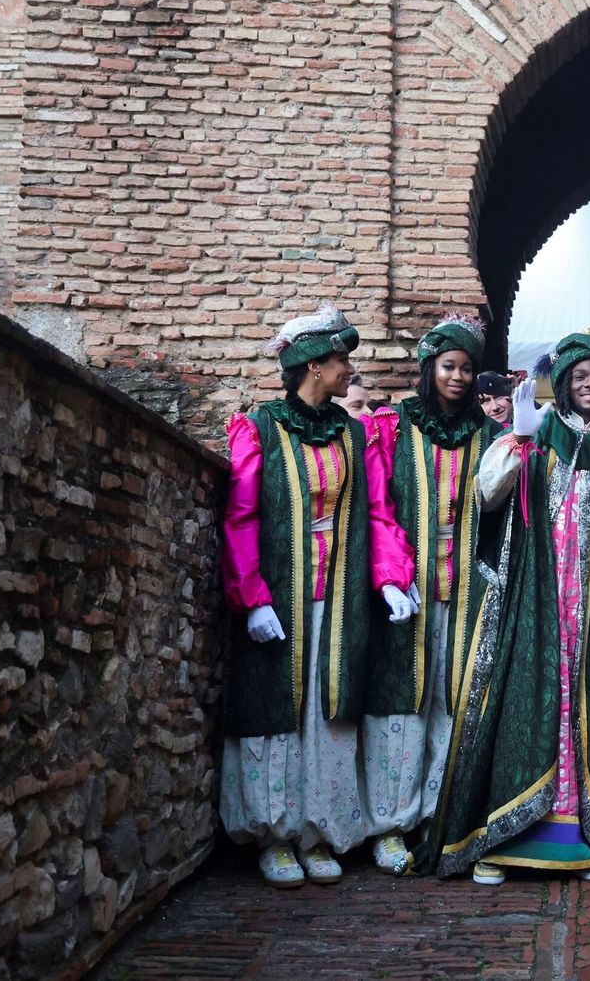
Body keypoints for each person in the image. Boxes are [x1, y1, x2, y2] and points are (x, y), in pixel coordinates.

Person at [438, 330, 590, 885]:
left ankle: (576, 835)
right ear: (566, 384)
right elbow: (486, 498)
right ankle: (502, 837)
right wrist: (518, 443)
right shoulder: (537, 432)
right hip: (531, 601)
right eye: (580, 378)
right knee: (521, 703)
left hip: (587, 610)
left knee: (581, 709)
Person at [219, 306, 387, 887]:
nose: (349, 369)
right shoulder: (259, 427)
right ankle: (276, 834)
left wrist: (388, 578)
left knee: (329, 713)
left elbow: (375, 512)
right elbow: (240, 516)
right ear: (314, 365)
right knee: (276, 712)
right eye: (342, 360)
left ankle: (322, 832)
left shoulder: (352, 432)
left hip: (338, 600)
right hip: (280, 596)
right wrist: (252, 597)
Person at [361, 314, 504, 877]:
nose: (460, 378)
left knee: (453, 700)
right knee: (401, 702)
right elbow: (378, 508)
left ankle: (437, 819)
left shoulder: (485, 434)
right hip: (407, 585)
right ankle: (390, 825)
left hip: (466, 585)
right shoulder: (393, 427)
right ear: (429, 368)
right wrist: (391, 576)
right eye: (450, 366)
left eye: (468, 369)